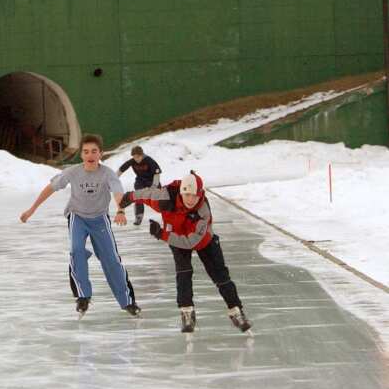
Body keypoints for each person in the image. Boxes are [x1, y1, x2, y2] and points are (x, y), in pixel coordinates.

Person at [20, 133, 140, 317]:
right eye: (86, 152)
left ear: (100, 154)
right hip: (78, 217)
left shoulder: (107, 173)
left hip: (100, 219)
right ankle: (83, 296)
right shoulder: (73, 172)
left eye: (94, 151)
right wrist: (32, 209)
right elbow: (51, 187)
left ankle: (127, 302)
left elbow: (118, 193)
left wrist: (121, 210)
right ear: (82, 155)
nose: (90, 155)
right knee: (76, 250)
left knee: (111, 259)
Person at [120, 170, 251, 333]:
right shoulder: (165, 198)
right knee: (183, 273)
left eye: (194, 195)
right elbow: (147, 194)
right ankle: (187, 312)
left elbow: (190, 242)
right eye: (186, 194)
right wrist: (130, 196)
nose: (190, 199)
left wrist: (162, 234)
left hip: (203, 240)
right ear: (181, 192)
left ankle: (236, 311)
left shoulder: (203, 212)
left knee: (220, 275)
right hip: (176, 235)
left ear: (200, 194)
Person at [117, 145, 161, 225]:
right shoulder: (132, 160)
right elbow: (122, 169)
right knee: (138, 197)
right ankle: (138, 217)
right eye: (134, 157)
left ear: (142, 155)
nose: (136, 159)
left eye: (138, 157)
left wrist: (154, 186)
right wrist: (114, 178)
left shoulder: (149, 160)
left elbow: (156, 174)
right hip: (140, 181)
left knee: (160, 199)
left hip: (152, 181)